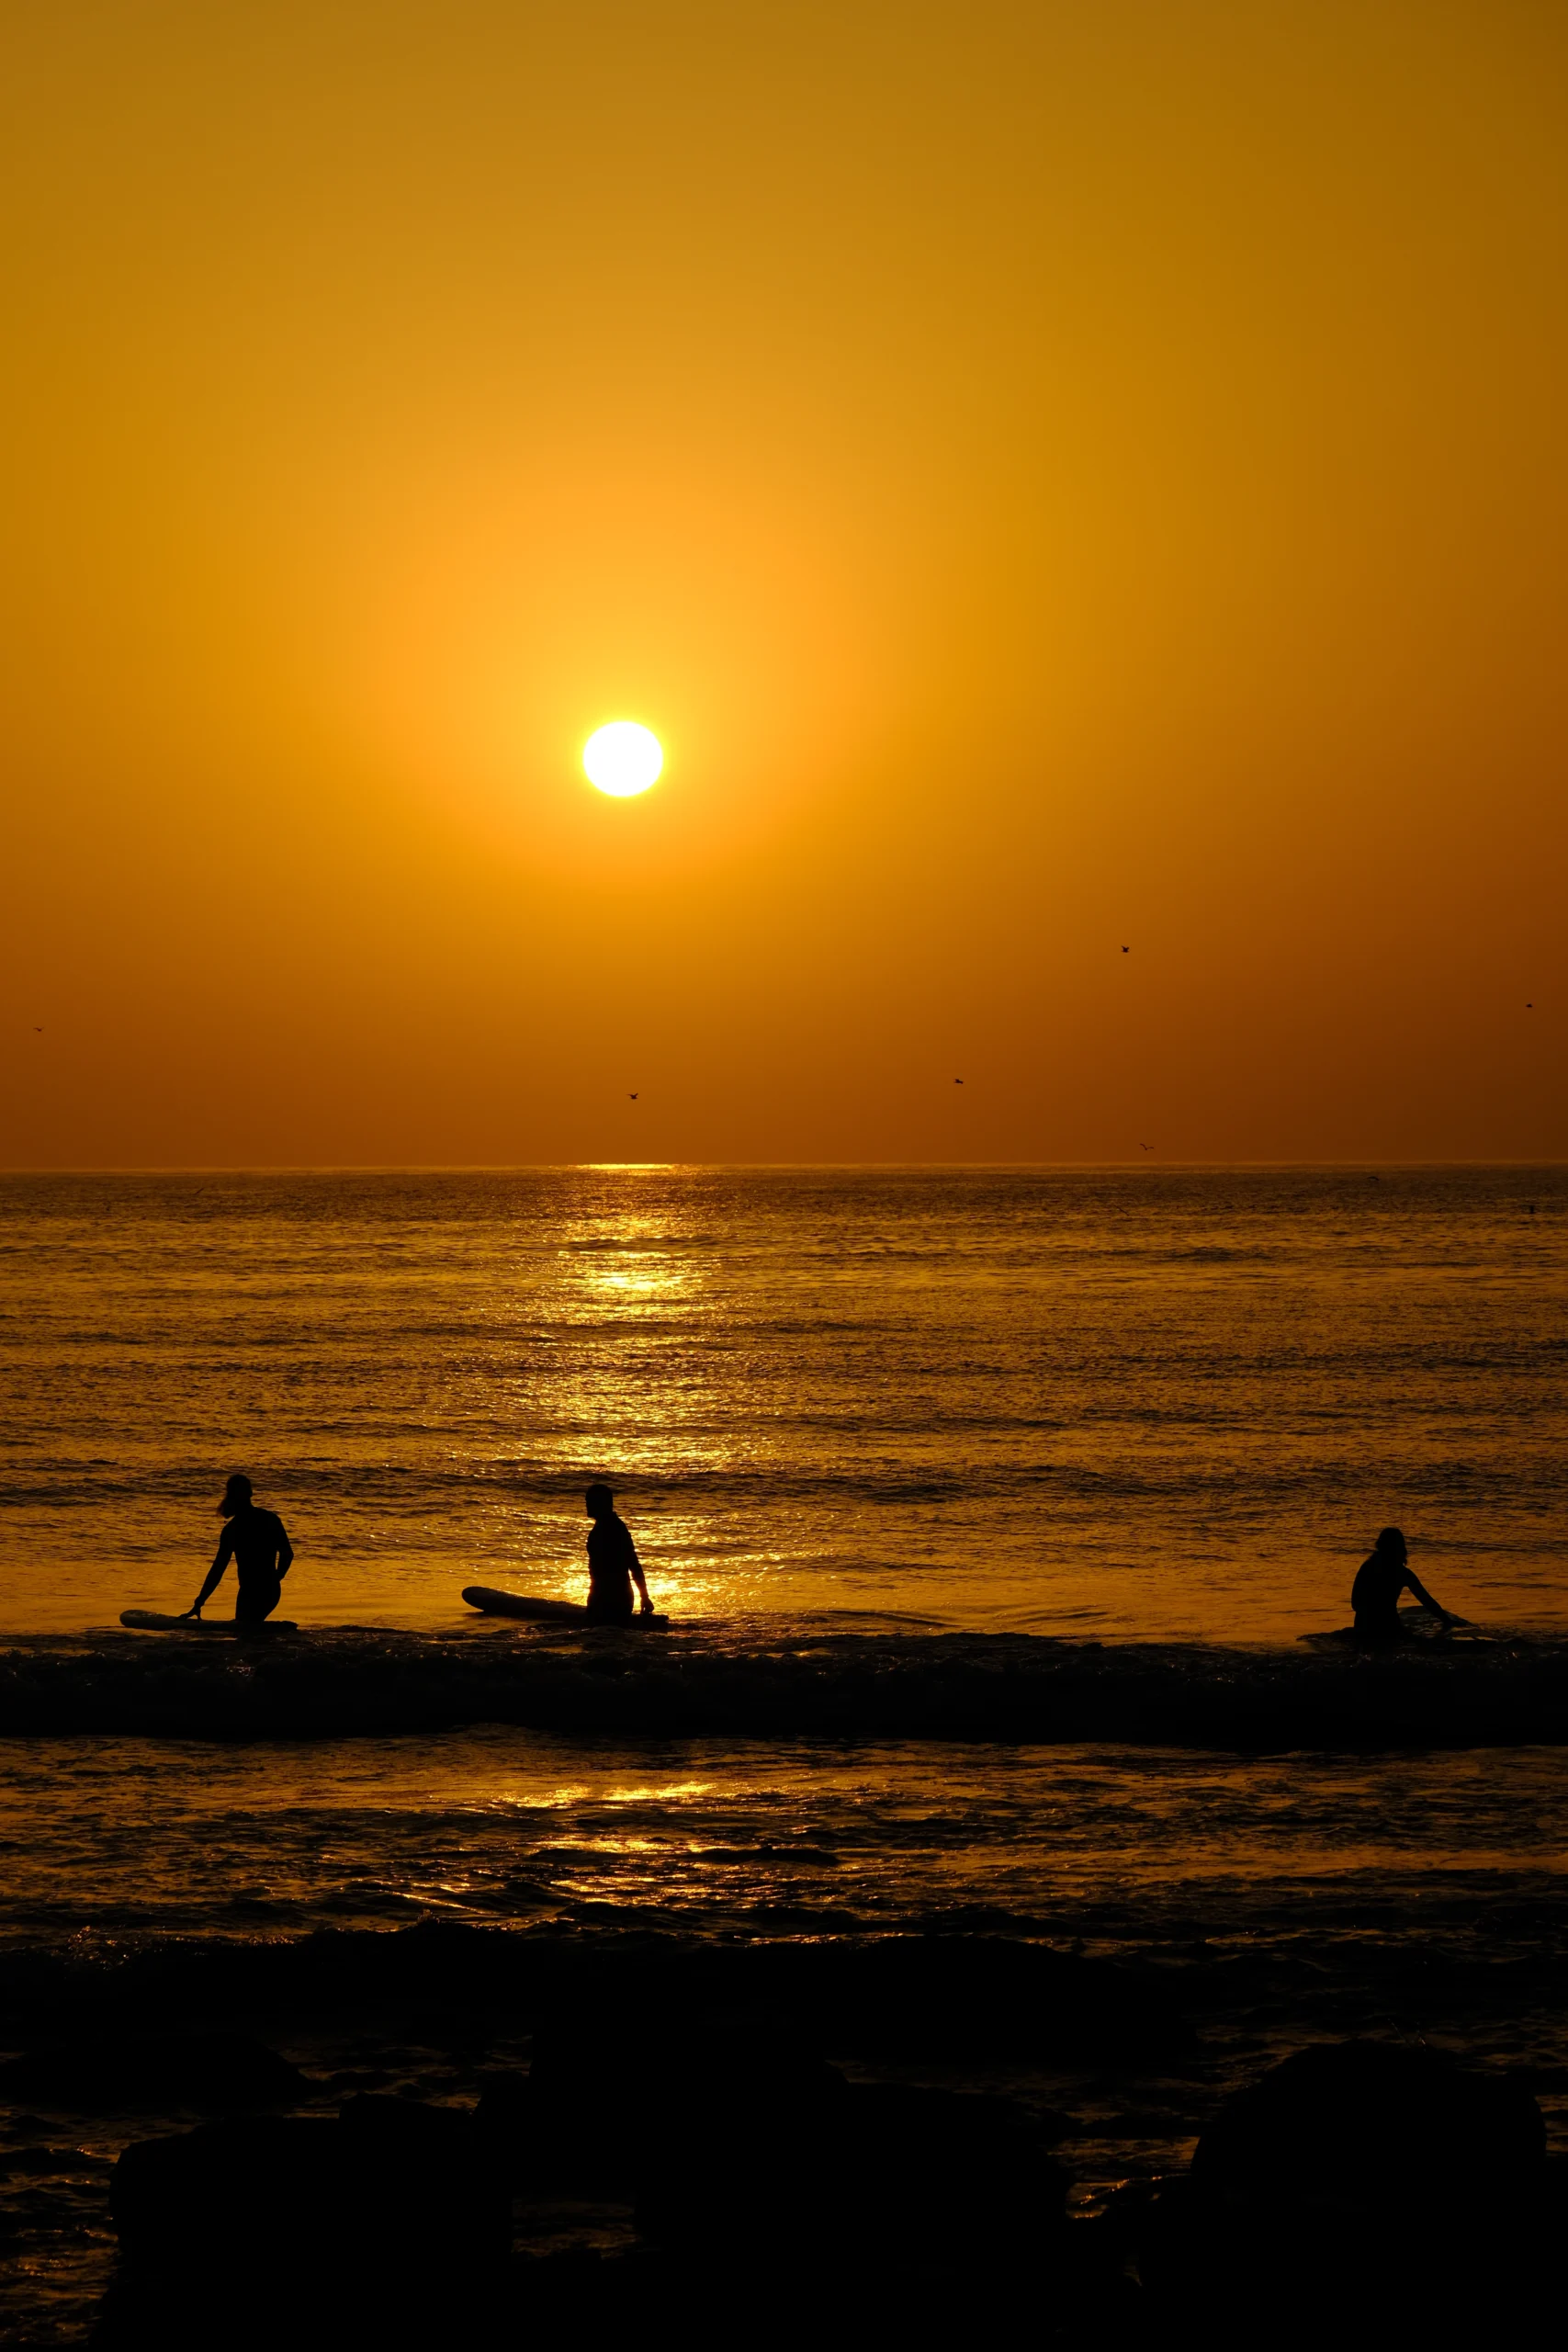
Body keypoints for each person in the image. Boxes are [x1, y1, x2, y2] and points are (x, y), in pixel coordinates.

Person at [184, 1475, 294, 1623]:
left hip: (254, 1591)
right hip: (264, 1590)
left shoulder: (232, 1529)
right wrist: (275, 1579)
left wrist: (200, 1601)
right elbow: (287, 1554)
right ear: (250, 1493)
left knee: (244, 1634)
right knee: (247, 1633)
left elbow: (218, 1569)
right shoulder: (269, 1519)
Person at [1350, 1526, 1453, 1644]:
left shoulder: (1367, 1567)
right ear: (1400, 1549)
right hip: (1390, 1627)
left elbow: (1355, 1604)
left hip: (1363, 1626)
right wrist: (1447, 1621)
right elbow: (1426, 1600)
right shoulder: (1402, 1573)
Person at [584, 1483, 654, 1623]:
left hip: (613, 1598)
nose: (586, 1504)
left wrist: (645, 1597)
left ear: (601, 1503)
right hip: (604, 1595)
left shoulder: (615, 1528)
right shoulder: (606, 1527)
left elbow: (633, 1564)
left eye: (590, 1501)